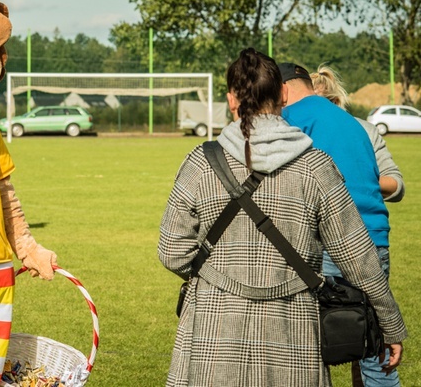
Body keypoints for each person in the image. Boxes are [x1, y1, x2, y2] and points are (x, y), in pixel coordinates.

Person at [159, 48, 405, 386]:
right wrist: (389, 322)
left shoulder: (200, 163)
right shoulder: (316, 166)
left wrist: (218, 277)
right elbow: (358, 257)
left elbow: (172, 252)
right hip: (294, 325)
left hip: (214, 326)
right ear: (282, 95)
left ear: (232, 99)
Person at [281, 62, 402, 387]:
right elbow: (390, 181)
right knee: (372, 351)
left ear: (282, 91)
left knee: (301, 348)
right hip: (374, 240)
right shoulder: (358, 125)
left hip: (330, 241)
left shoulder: (291, 119)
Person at [311, 64, 404, 202]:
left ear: (335, 102)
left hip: (364, 218)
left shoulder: (365, 129)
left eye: (319, 104)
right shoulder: (297, 131)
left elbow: (396, 185)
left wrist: (356, 180)